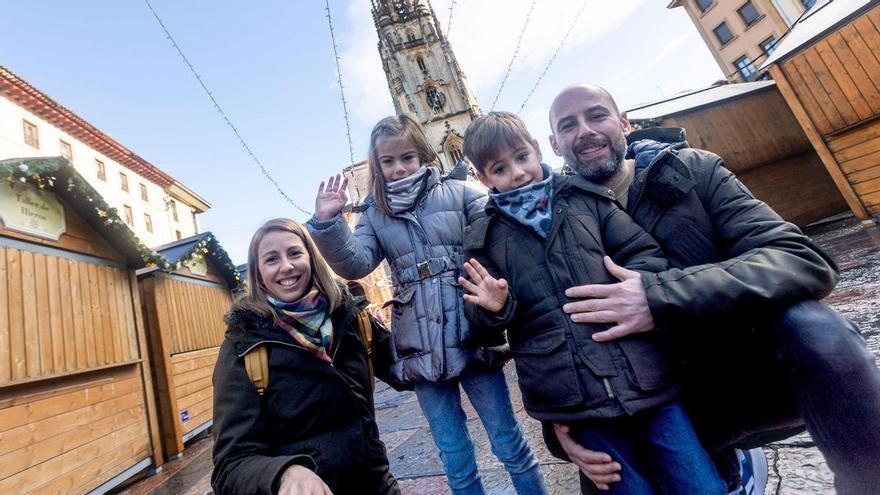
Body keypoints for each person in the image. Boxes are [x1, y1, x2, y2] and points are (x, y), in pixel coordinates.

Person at [547, 84, 880, 494]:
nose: (584, 131)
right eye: (568, 125)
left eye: (596, 116)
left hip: (740, 372)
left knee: (816, 329)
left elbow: (800, 258)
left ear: (623, 122)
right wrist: (560, 430)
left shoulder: (695, 172)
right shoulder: (548, 227)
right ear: (555, 144)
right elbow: (545, 333)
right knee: (604, 466)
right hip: (646, 405)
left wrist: (658, 297)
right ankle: (721, 469)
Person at [459, 111, 726, 494]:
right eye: (500, 169)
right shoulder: (484, 236)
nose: (517, 173)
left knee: (698, 483)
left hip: (644, 377)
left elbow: (643, 253)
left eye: (521, 158)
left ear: (536, 149)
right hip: (573, 398)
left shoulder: (586, 198)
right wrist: (494, 306)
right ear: (483, 179)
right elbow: (479, 317)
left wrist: (635, 285)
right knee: (626, 487)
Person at [306, 115, 547, 495]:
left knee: (509, 443)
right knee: (454, 455)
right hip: (419, 345)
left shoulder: (462, 192)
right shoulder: (373, 213)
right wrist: (328, 222)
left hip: (471, 332)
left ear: (422, 155)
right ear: (377, 166)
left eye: (407, 157)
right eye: (388, 161)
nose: (398, 167)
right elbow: (356, 262)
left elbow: (498, 241)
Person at [211, 219, 399, 495]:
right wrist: (284, 473)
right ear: (258, 272)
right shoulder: (245, 346)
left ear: (311, 258)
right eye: (272, 259)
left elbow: (413, 367)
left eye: (295, 253)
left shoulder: (350, 317)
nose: (286, 266)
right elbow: (230, 466)